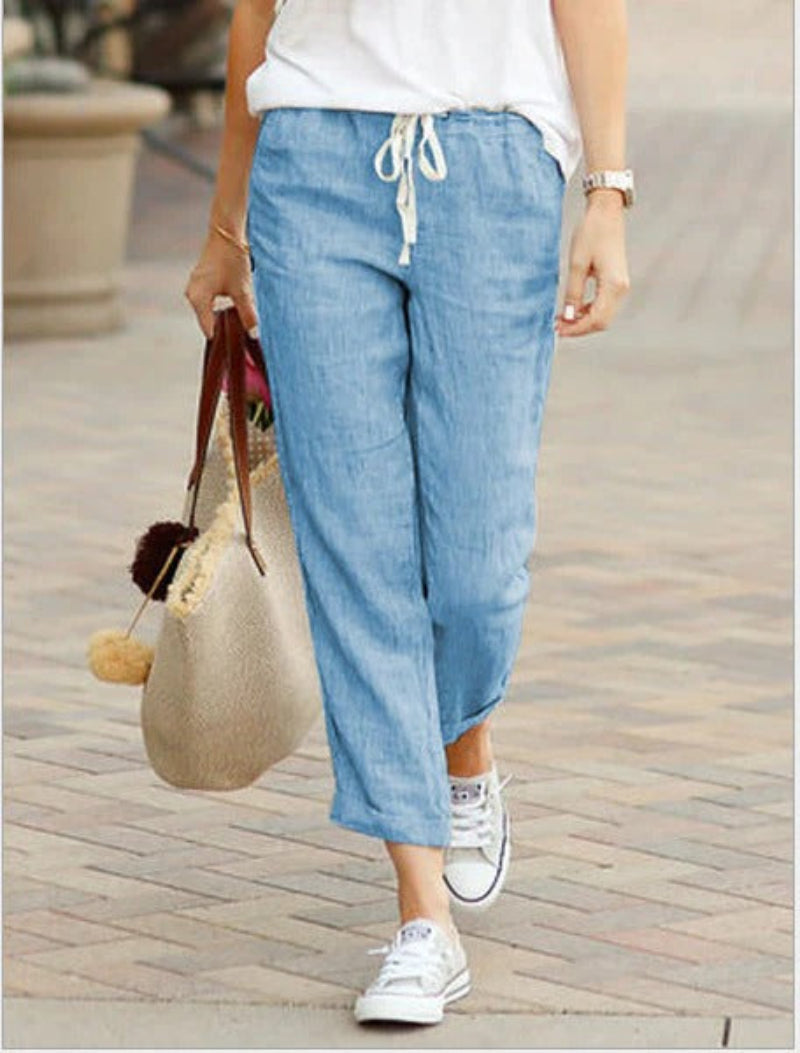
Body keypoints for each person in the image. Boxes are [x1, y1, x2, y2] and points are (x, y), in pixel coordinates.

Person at [186, 0, 632, 1027]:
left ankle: (461, 743)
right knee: (356, 548)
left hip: (488, 159)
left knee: (475, 570)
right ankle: (420, 914)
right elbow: (256, 13)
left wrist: (605, 194)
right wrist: (225, 230)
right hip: (310, 160)